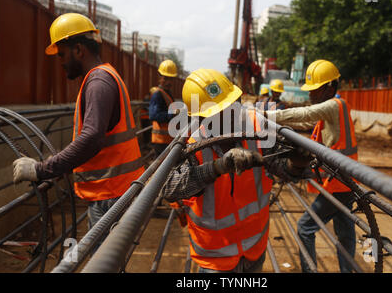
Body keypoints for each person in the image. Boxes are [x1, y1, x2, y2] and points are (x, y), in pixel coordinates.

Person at [162, 68, 310, 273]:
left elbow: (285, 171)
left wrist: (298, 162)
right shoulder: (193, 144)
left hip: (253, 248)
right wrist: (218, 167)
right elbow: (170, 189)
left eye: (231, 107)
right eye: (218, 114)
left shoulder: (257, 129)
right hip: (215, 257)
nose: (228, 116)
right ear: (202, 118)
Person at [12, 13, 144, 231]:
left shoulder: (98, 82)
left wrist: (41, 169)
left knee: (102, 263)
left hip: (110, 194)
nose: (61, 62)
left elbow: (91, 138)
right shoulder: (105, 76)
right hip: (116, 190)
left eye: (62, 55)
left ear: (79, 50)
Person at [265, 59, 358, 273]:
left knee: (305, 228)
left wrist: (264, 116)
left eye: (315, 89)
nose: (310, 94)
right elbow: (307, 122)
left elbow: (304, 114)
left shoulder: (334, 105)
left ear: (329, 87)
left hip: (338, 183)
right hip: (344, 180)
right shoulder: (333, 109)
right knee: (345, 233)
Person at [149, 60, 177, 157]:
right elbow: (153, 115)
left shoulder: (167, 93)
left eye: (171, 79)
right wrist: (172, 114)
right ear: (160, 78)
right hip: (160, 141)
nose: (168, 82)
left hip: (167, 139)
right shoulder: (157, 95)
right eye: (165, 78)